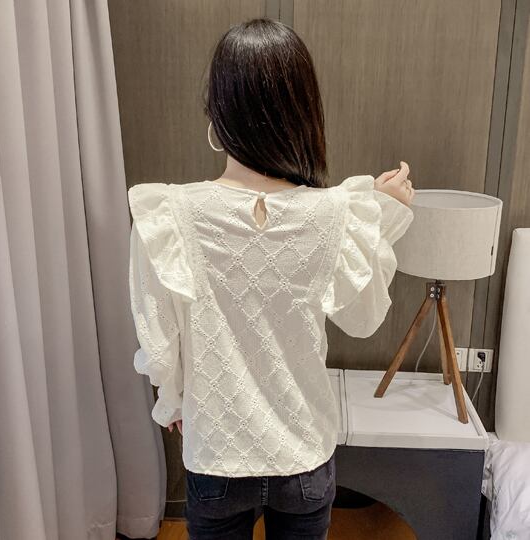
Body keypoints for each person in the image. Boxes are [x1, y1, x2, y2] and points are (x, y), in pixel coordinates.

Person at [127, 17, 415, 540]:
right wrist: (384, 216)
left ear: (217, 113)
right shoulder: (336, 213)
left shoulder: (169, 213)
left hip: (217, 451)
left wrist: (173, 399)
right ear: (303, 114)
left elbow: (160, 342)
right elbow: (363, 318)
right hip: (302, 455)